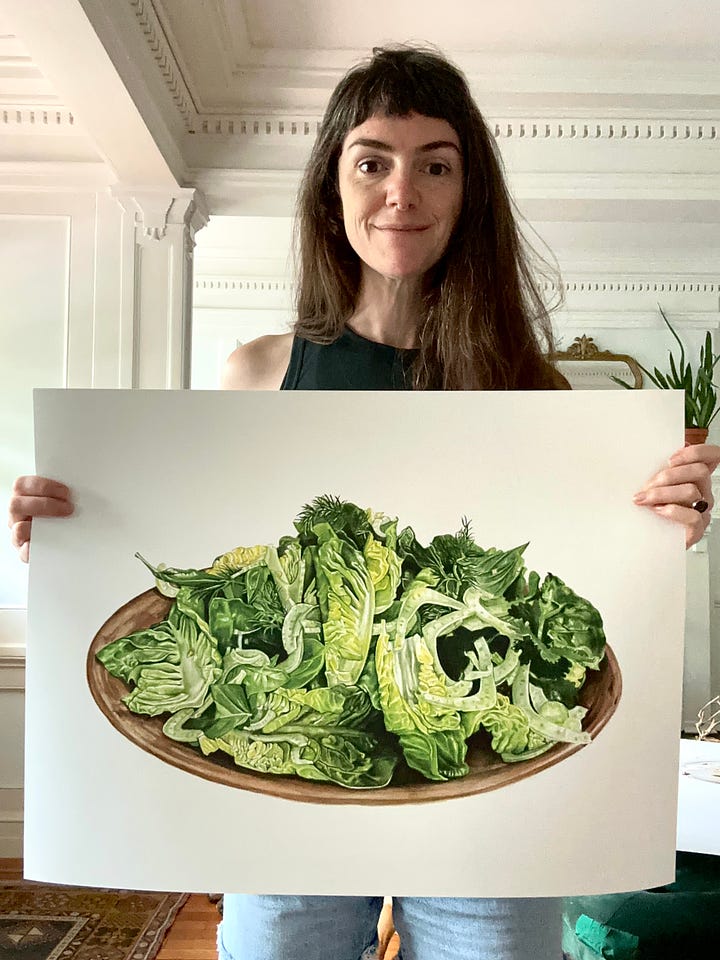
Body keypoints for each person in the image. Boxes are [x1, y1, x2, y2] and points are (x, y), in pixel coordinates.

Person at [9, 44, 719, 960]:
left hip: (479, 783)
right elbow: (212, 572)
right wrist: (77, 541)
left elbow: (571, 584)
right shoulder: (260, 373)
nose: (402, 191)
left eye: (436, 165)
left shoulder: (532, 391)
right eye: (373, 160)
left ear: (468, 198)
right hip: (295, 775)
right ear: (330, 189)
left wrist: (669, 527)